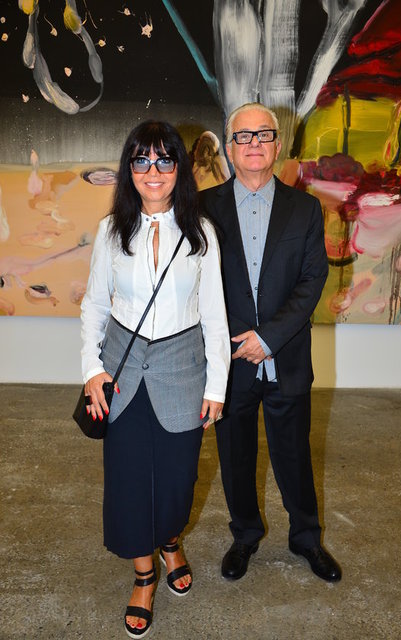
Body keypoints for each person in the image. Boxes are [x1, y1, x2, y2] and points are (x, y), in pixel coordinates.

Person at [80, 120, 230, 638]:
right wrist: (91, 369)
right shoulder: (111, 230)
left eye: (164, 159)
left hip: (183, 369)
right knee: (127, 480)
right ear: (129, 169)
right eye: (141, 159)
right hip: (122, 370)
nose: (153, 170)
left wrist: (217, 387)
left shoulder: (201, 233)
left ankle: (170, 542)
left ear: (179, 168)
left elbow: (215, 316)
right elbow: (94, 306)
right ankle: (144, 575)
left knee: (176, 479)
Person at [200, 103, 341, 583]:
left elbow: (312, 280)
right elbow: (198, 284)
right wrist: (234, 340)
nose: (254, 143)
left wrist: (269, 338)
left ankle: (306, 538)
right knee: (235, 458)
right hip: (231, 362)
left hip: (287, 359)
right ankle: (244, 535)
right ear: (229, 147)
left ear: (278, 145)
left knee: (294, 456)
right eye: (244, 136)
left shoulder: (305, 209)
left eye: (264, 134)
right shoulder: (203, 208)